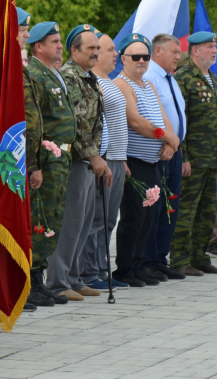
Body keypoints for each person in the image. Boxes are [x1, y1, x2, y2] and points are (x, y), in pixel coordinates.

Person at [46, 24, 110, 301]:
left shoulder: (88, 77)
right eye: (91, 48)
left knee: (83, 222)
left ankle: (73, 277)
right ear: (74, 50)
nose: (96, 53)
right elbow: (78, 123)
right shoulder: (70, 77)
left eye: (98, 48)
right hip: (75, 160)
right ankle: (58, 281)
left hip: (88, 160)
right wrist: (94, 155)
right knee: (71, 221)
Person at [112, 34, 179, 287]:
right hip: (134, 159)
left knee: (149, 216)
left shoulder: (148, 85)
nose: (141, 61)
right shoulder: (122, 84)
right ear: (123, 59)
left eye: (145, 57)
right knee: (133, 217)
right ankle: (125, 269)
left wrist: (170, 143)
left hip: (154, 161)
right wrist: (167, 137)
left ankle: (140, 265)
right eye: (135, 57)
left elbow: (163, 118)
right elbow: (136, 122)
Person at [23, 22, 75, 306]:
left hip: (61, 158)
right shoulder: (34, 74)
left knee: (52, 219)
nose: (59, 46)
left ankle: (38, 277)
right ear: (38, 46)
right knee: (39, 220)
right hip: (46, 159)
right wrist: (35, 164)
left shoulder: (52, 73)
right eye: (53, 41)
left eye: (59, 40)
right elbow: (34, 123)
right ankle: (30, 282)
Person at [169, 32, 217, 276]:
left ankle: (199, 256)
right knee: (187, 210)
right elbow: (181, 121)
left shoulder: (212, 77)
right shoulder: (184, 78)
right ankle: (179, 258)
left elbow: (216, 120)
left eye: (215, 47)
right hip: (193, 158)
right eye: (209, 47)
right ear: (194, 51)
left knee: (207, 209)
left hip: (212, 157)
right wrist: (184, 156)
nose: (214, 51)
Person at [81, 31, 130, 291]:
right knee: (97, 218)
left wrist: (122, 160)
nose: (116, 55)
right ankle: (90, 271)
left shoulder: (108, 81)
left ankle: (101, 268)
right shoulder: (93, 82)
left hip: (117, 157)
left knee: (110, 218)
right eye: (111, 50)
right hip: (104, 157)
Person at [142, 34, 188, 280]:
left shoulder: (171, 79)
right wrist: (168, 142)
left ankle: (161, 257)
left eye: (179, 53)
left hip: (174, 150)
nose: (178, 57)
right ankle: (149, 259)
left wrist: (178, 145)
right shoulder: (151, 77)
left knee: (171, 207)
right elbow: (153, 115)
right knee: (158, 207)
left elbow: (177, 115)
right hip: (161, 151)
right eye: (174, 52)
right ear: (157, 51)